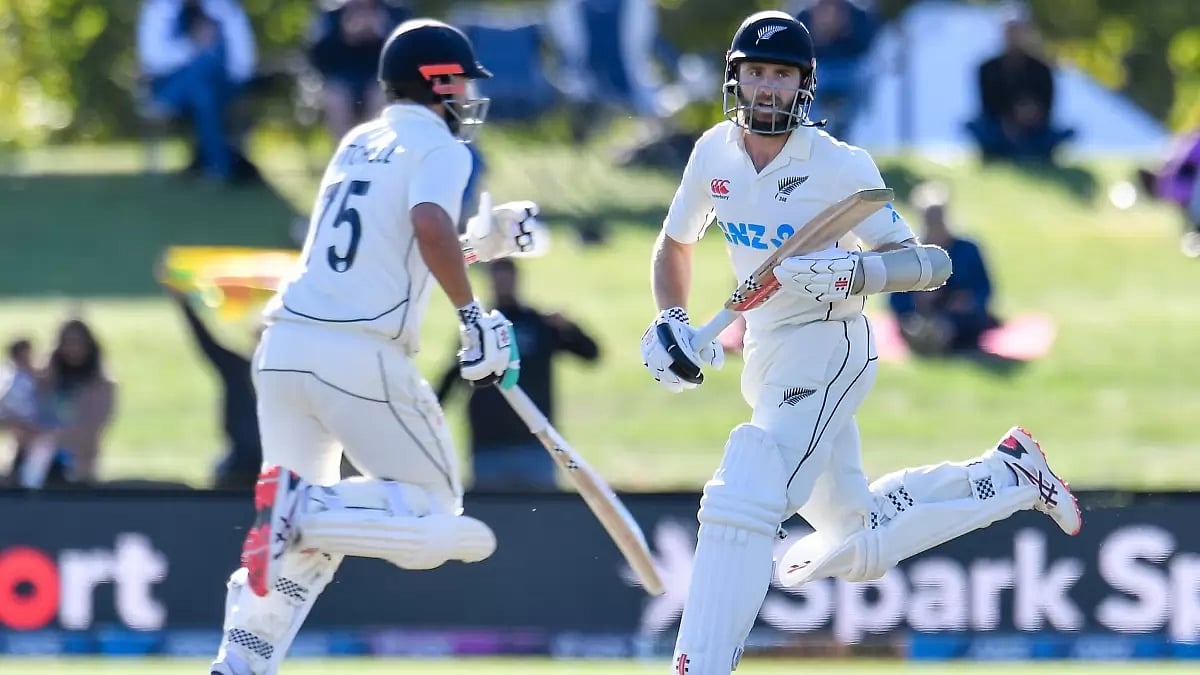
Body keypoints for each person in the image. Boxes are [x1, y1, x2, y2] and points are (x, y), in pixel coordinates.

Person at [638, 12, 1081, 674]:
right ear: (735, 79)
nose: (767, 87)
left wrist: (854, 271)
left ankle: (699, 664)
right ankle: (1007, 475)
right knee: (858, 539)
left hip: (831, 345)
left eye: (781, 75)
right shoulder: (714, 153)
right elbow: (675, 242)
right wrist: (671, 317)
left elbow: (928, 264)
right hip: (766, 351)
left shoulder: (838, 166)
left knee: (749, 486)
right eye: (756, 73)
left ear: (804, 85)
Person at [210, 18, 545, 675]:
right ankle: (306, 505)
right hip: (356, 352)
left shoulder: (359, 140)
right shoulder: (443, 147)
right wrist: (472, 316)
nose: (469, 95)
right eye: (461, 81)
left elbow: (394, 244)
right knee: (435, 509)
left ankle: (240, 662)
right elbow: (426, 223)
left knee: (299, 542)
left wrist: (481, 241)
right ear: (436, 82)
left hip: (285, 348)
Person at [436, 259, 600, 491]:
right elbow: (455, 374)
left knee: (542, 508)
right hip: (488, 444)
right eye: (497, 278)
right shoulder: (479, 330)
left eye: (507, 278)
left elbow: (591, 354)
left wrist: (570, 327)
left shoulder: (539, 324)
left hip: (536, 442)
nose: (503, 284)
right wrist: (434, 414)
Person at [163, 284, 262, 490]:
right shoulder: (237, 368)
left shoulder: (294, 376)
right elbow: (207, 342)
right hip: (240, 462)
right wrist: (183, 302)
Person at [888, 182, 999, 354]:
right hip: (920, 314)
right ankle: (924, 336)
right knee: (914, 323)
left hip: (959, 317)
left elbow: (984, 289)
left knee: (964, 322)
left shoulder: (968, 249)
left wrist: (968, 301)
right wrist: (917, 300)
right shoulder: (908, 253)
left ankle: (937, 336)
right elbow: (895, 298)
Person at [965, 16, 1074, 163]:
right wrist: (1009, 119)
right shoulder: (987, 68)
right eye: (1010, 33)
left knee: (1059, 133)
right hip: (998, 126)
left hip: (1034, 127)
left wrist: (1029, 115)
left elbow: (1047, 105)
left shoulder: (1041, 69)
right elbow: (987, 105)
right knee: (977, 128)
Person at [308, 0, 412, 140]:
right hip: (343, 78)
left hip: (380, 76)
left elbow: (407, 54)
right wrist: (343, 36)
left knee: (382, 95)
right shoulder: (331, 15)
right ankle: (344, 148)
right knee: (335, 99)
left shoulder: (396, 12)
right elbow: (317, 57)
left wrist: (383, 33)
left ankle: (374, 147)